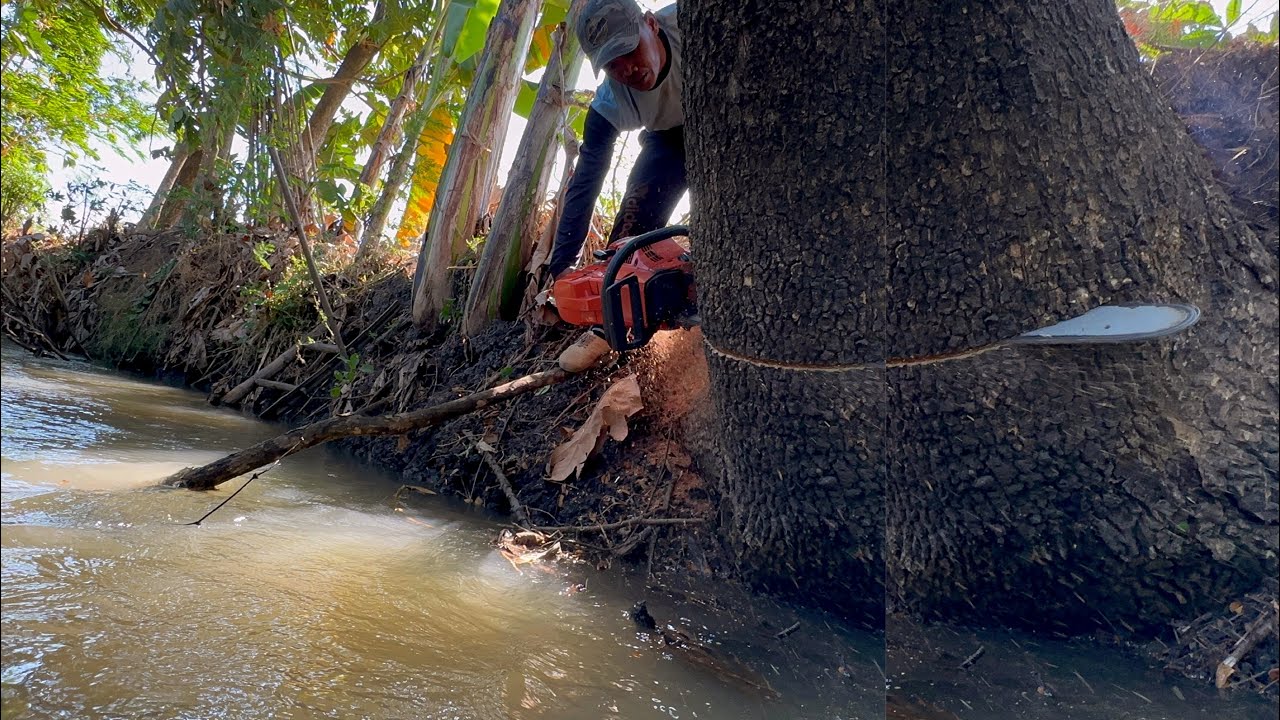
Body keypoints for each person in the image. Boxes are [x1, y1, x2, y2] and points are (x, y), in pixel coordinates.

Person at [551, 0, 686, 372]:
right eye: (612, 64)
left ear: (650, 24)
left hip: (734, 120)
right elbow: (586, 182)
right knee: (629, 238)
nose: (627, 68)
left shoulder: (690, 21)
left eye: (629, 49)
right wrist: (561, 265)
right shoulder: (611, 103)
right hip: (669, 141)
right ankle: (608, 325)